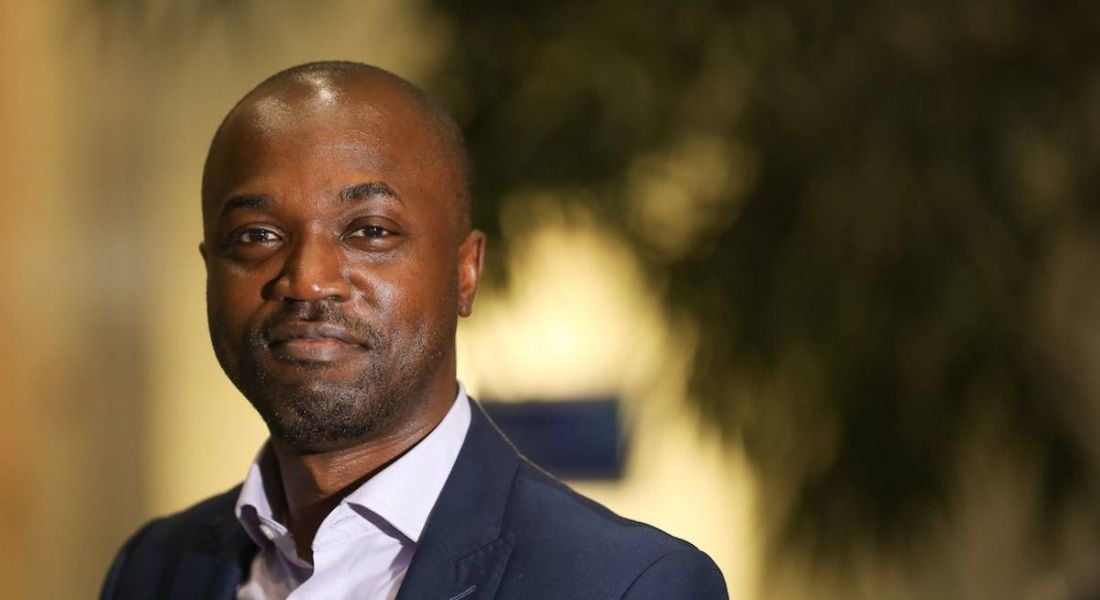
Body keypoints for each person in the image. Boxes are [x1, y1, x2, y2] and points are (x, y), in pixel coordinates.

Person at [100, 61, 728, 600]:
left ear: (464, 273)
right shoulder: (154, 569)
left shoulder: (624, 586)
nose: (307, 280)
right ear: (211, 271)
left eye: (370, 230)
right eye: (257, 236)